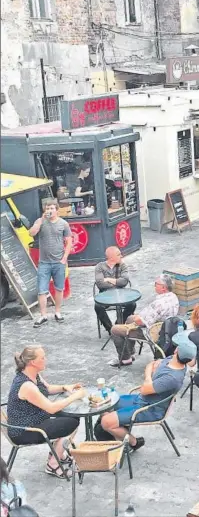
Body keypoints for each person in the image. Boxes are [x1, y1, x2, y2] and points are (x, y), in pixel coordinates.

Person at [98, 339, 195, 450]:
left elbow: (144, 388)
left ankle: (134, 443)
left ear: (176, 350)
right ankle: (115, 435)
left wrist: (149, 376)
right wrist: (149, 378)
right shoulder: (171, 360)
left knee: (106, 421)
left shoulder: (171, 378)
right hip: (141, 399)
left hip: (150, 408)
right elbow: (150, 365)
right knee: (107, 403)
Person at [6, 346, 85, 479]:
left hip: (36, 418)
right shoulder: (26, 385)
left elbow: (47, 389)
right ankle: (53, 465)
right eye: (42, 358)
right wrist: (75, 397)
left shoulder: (32, 374)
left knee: (72, 418)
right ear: (33, 362)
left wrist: (65, 387)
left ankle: (56, 453)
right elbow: (51, 408)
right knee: (71, 423)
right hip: (24, 430)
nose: (45, 360)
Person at [109, 276, 180, 367]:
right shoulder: (173, 296)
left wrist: (137, 318)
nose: (154, 286)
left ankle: (125, 359)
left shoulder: (159, 303)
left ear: (163, 287)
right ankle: (130, 353)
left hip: (152, 332)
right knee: (130, 318)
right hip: (165, 327)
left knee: (115, 329)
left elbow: (141, 322)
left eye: (156, 284)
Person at [28, 199, 73, 328]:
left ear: (56, 210)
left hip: (59, 262)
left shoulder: (63, 224)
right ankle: (43, 315)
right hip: (44, 262)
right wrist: (40, 221)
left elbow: (69, 242)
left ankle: (57, 312)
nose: (49, 211)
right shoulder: (40, 221)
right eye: (47, 208)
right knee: (42, 290)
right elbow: (31, 233)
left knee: (59, 288)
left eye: (52, 208)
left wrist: (64, 258)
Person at [94, 246, 134, 334]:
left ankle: (118, 325)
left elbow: (124, 281)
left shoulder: (123, 265)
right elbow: (100, 284)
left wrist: (109, 279)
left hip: (121, 293)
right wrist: (117, 282)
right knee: (98, 307)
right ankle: (110, 329)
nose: (121, 256)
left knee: (132, 304)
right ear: (111, 257)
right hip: (105, 295)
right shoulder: (100, 266)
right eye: (119, 254)